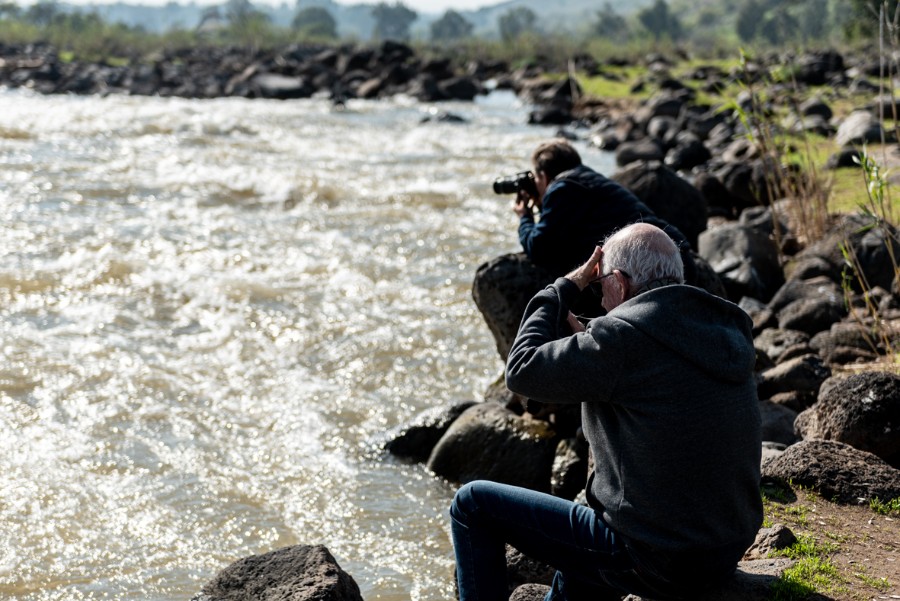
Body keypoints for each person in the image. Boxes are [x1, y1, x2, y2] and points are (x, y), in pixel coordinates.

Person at [450, 223, 762, 601]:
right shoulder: (721, 327)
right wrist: (594, 347)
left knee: (472, 504)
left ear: (619, 282)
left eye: (600, 288)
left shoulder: (619, 343)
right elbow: (653, 376)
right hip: (722, 549)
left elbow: (521, 371)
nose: (599, 301)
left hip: (655, 558)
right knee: (581, 554)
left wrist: (563, 288)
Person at [513, 139, 695, 286]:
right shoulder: (588, 180)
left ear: (544, 176)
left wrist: (525, 217)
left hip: (653, 264)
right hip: (673, 254)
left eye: (536, 178)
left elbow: (539, 247)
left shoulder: (563, 188)